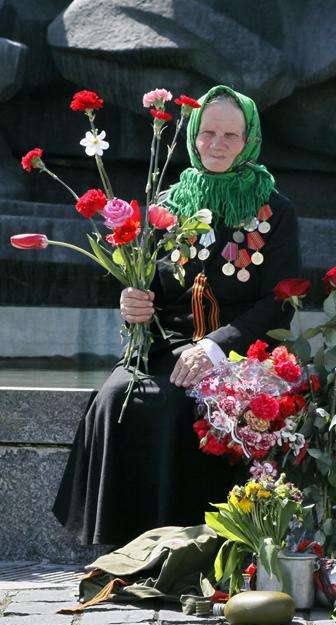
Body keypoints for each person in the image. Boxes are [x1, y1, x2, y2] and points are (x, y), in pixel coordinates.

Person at [53, 85, 300, 546]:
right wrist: (132, 306)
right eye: (208, 133)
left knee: (175, 405)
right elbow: (149, 287)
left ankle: (188, 545)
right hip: (168, 345)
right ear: (192, 137)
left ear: (249, 140)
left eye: (231, 134)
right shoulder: (167, 206)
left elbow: (277, 301)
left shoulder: (276, 210)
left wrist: (214, 346)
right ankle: (126, 544)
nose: (218, 144)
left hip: (240, 347)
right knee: (116, 397)